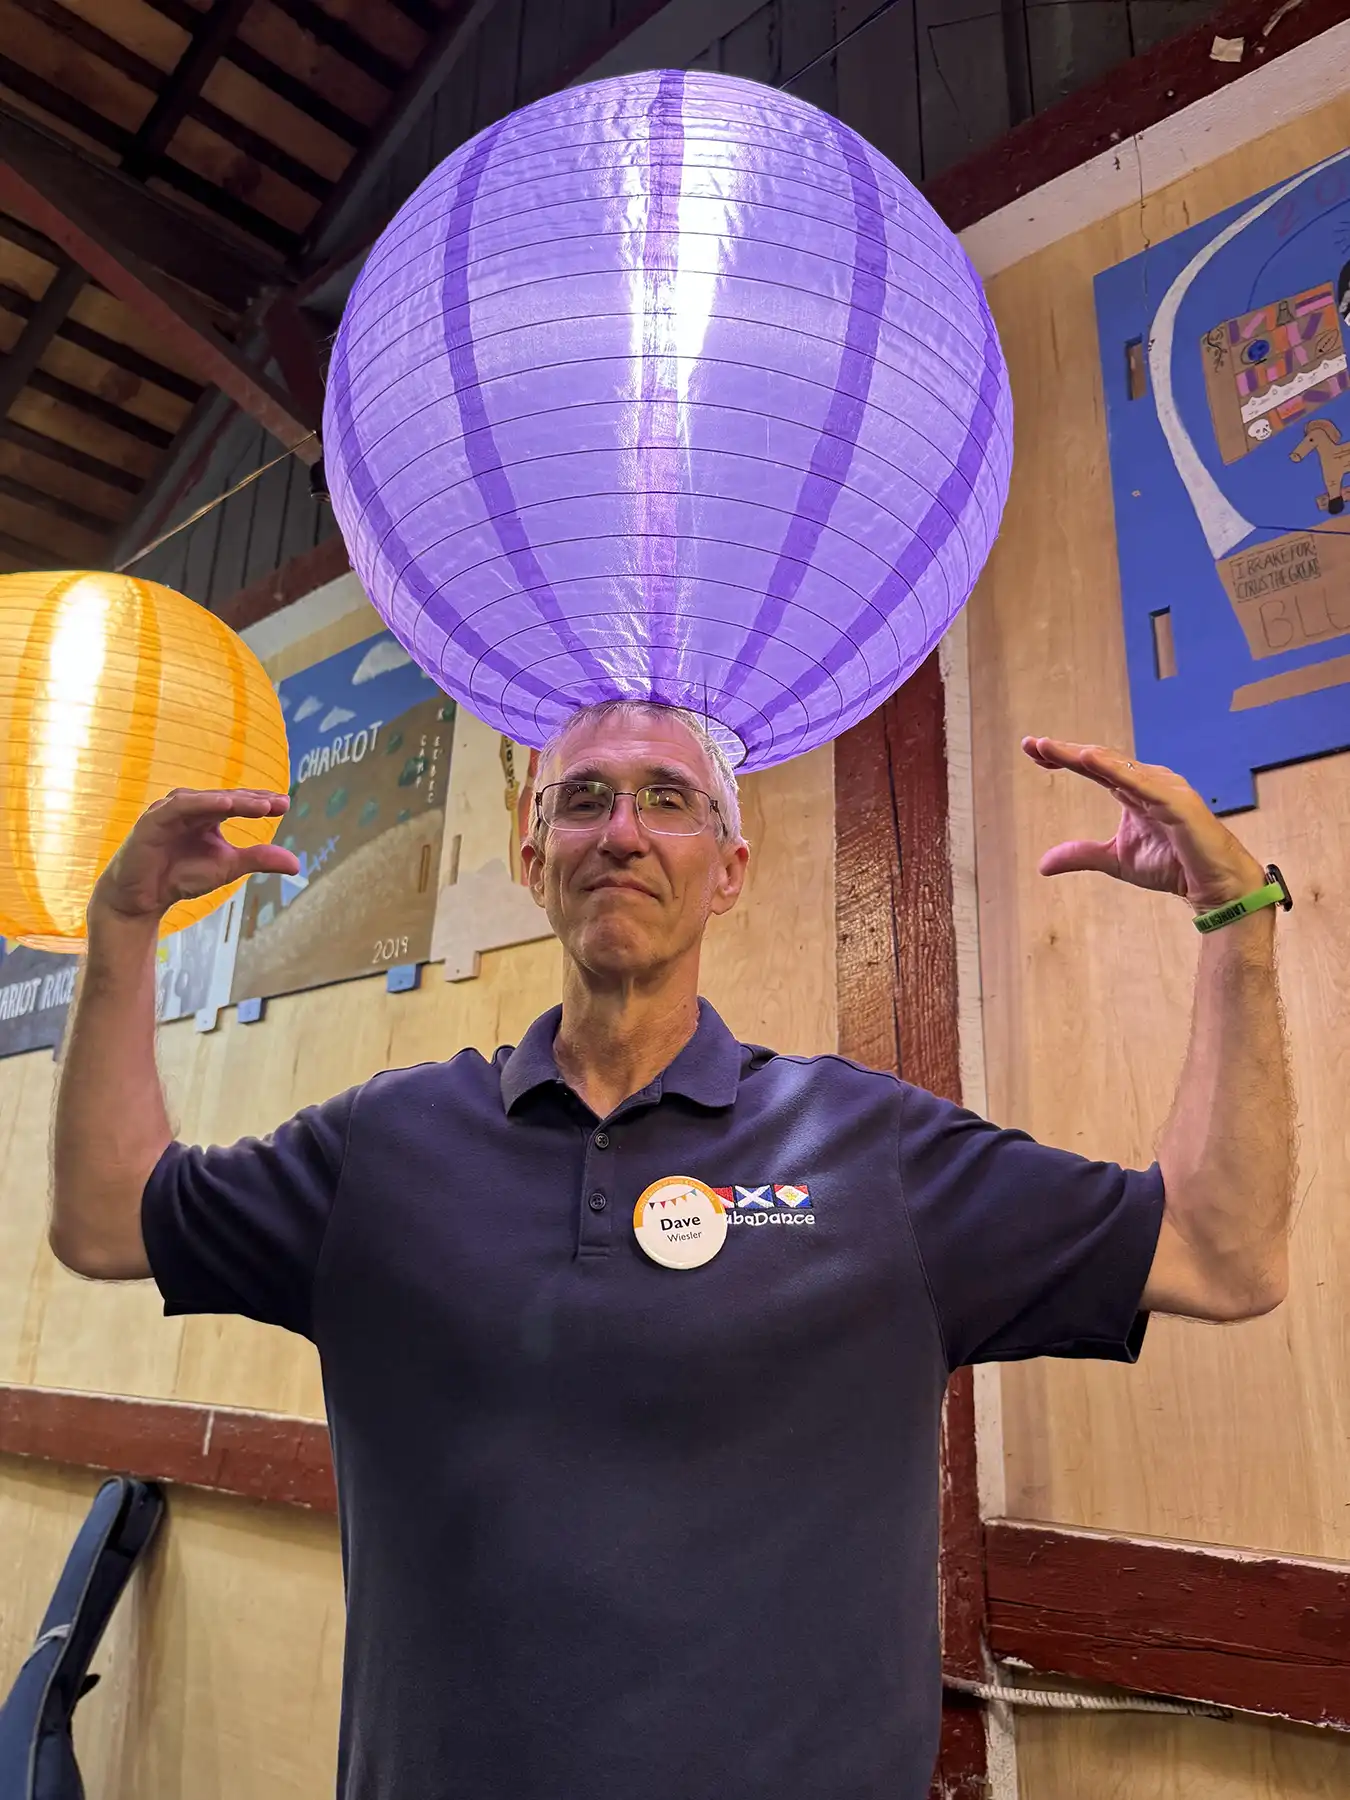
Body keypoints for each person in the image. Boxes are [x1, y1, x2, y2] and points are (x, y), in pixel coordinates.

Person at [49, 700, 1293, 1800]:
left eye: (668, 800)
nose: (622, 830)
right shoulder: (385, 1147)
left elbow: (1217, 1252)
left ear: (731, 867)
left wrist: (1237, 920)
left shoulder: (875, 1152)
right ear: (535, 855)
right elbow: (109, 1221)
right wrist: (122, 928)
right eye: (580, 799)